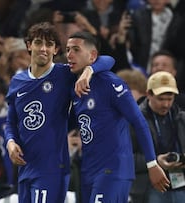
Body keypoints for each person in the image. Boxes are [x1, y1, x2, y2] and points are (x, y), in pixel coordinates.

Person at [4, 22, 115, 203]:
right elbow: (11, 121)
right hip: (26, 167)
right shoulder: (17, 81)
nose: (43, 49)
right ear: (28, 45)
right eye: (39, 42)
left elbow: (109, 60)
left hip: (51, 167)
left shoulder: (64, 74)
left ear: (56, 50)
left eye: (49, 44)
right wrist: (10, 142)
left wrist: (88, 71)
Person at [66, 31, 169, 202]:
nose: (69, 54)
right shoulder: (73, 84)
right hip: (89, 168)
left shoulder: (110, 83)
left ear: (92, 55)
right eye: (67, 49)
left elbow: (139, 122)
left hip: (113, 169)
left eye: (76, 49)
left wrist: (152, 163)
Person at [130, 71, 185, 203]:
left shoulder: (181, 118)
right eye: (161, 99)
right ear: (149, 94)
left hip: (180, 186)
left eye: (170, 99)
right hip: (148, 188)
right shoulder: (133, 120)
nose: (166, 104)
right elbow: (124, 158)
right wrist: (154, 162)